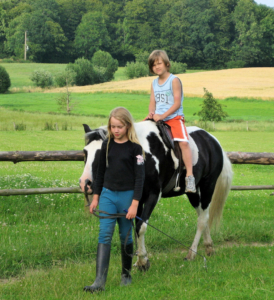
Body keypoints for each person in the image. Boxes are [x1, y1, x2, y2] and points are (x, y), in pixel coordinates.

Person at [84, 107, 145, 293]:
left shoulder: (136, 149)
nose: (116, 130)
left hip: (127, 198)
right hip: (108, 195)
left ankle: (126, 275)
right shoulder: (107, 145)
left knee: (125, 235)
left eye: (119, 126)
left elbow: (140, 178)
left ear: (127, 126)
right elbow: (100, 173)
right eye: (113, 126)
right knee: (104, 234)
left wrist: (134, 204)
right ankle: (99, 282)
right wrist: (95, 198)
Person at [145, 50, 196, 193]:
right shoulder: (154, 83)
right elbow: (152, 102)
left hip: (173, 117)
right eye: (153, 65)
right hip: (157, 117)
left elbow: (177, 103)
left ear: (167, 64)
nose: (157, 67)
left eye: (159, 63)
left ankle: (190, 176)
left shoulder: (174, 80)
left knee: (184, 143)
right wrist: (152, 112)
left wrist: (163, 115)